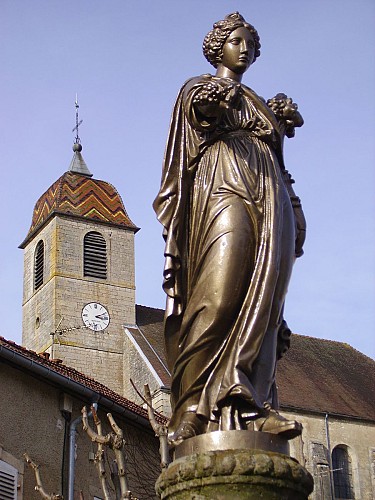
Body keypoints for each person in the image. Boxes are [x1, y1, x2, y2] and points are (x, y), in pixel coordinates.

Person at [153, 12, 306, 445]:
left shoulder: (259, 103)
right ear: (218, 46)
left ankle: (254, 406)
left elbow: (280, 163)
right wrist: (212, 100)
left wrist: (294, 208)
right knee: (217, 297)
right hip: (222, 184)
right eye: (237, 41)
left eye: (251, 44)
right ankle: (192, 410)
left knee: (266, 301)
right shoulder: (199, 87)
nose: (245, 49)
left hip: (271, 195)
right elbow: (196, 115)